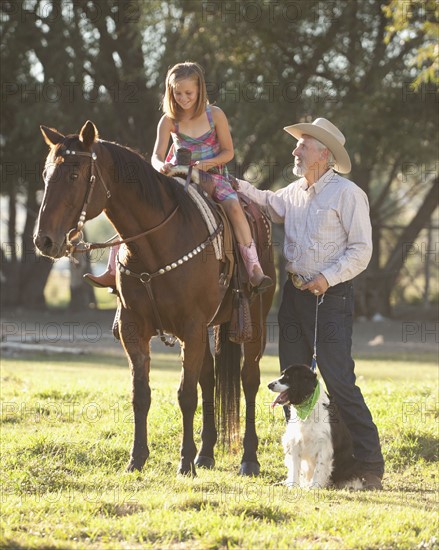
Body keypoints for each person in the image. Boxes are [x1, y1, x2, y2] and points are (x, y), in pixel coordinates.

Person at [236, 117, 385, 490]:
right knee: (292, 381)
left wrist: (327, 278)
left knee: (338, 380)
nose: (295, 150)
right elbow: (266, 201)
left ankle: (369, 464)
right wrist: (228, 183)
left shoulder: (348, 195)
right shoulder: (294, 192)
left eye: (302, 145)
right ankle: (300, 467)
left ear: (325, 154)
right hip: (294, 297)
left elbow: (362, 250)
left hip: (330, 298)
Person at [84, 62, 272, 291]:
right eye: (177, 93)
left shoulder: (215, 115)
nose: (183, 98)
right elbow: (156, 155)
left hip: (210, 174)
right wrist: (161, 165)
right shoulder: (169, 120)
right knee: (136, 206)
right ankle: (114, 267)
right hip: (177, 174)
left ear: (200, 90)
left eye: (188, 93)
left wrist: (206, 164)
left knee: (233, 206)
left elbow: (228, 152)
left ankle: (253, 266)